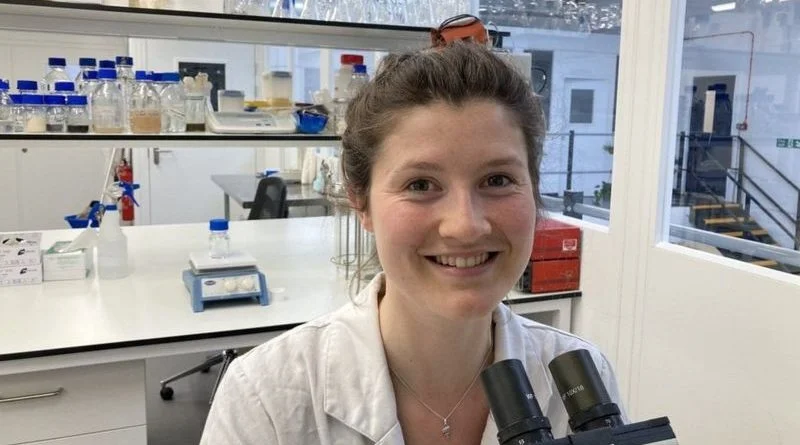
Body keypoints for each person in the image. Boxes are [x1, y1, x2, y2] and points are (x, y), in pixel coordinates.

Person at [200, 42, 626, 445]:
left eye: (498, 180)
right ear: (360, 201)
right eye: (420, 184)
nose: (466, 226)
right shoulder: (264, 399)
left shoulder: (581, 381)